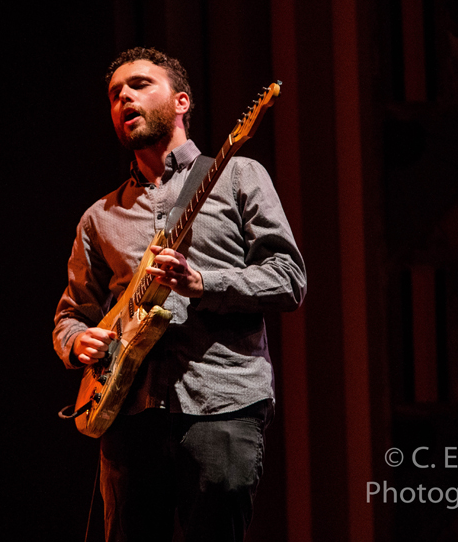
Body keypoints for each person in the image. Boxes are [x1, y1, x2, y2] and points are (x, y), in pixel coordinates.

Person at [53, 47, 306, 542]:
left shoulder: (238, 175)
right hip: (128, 414)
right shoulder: (99, 217)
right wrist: (77, 342)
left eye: (140, 85)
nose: (124, 98)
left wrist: (203, 284)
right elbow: (71, 315)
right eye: (115, 94)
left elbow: (289, 278)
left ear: (181, 102)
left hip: (222, 403)